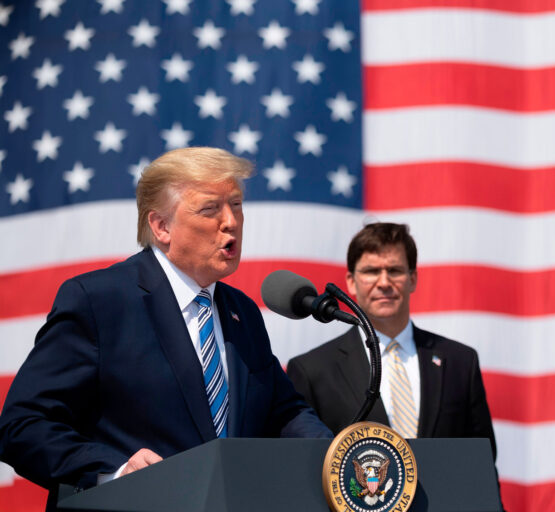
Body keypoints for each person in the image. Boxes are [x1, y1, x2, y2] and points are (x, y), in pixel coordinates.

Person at [0, 147, 331, 510]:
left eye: (235, 204)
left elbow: (283, 413)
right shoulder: (99, 301)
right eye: (210, 209)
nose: (231, 221)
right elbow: (22, 426)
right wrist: (114, 471)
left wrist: (335, 456)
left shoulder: (243, 313)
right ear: (161, 226)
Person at [286, 222, 496, 458]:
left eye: (394, 270)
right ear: (351, 282)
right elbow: (301, 464)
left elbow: (483, 462)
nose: (384, 282)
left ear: (413, 279)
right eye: (371, 271)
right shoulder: (312, 370)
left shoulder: (460, 362)